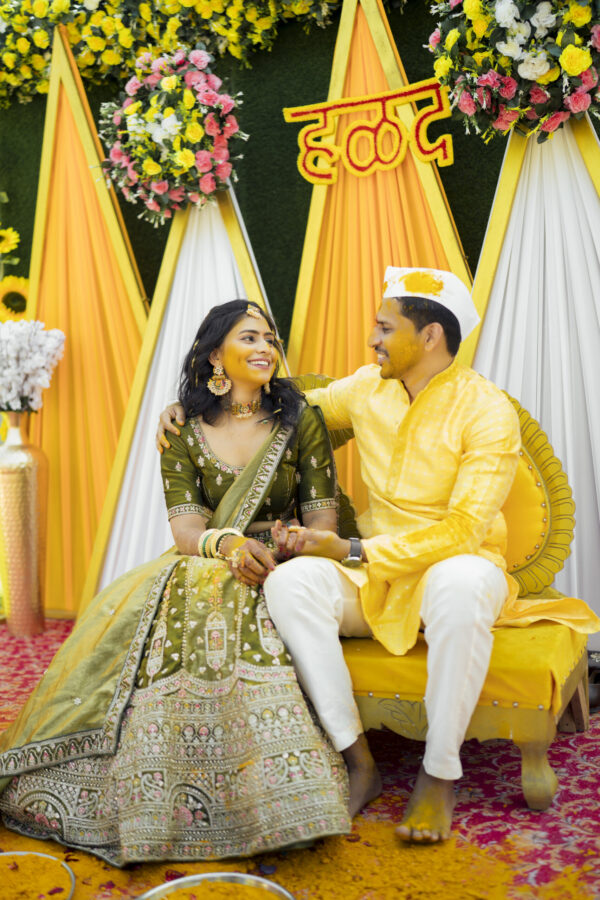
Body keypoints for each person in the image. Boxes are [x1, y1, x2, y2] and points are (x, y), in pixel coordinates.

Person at [156, 269, 600, 845]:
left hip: (455, 569)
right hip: (375, 580)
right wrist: (189, 404)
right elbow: (276, 406)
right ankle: (357, 761)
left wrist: (352, 548)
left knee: (461, 583)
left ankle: (439, 774)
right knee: (291, 585)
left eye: (385, 328)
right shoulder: (367, 388)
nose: (373, 340)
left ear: (430, 336)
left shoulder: (486, 409)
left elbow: (464, 530)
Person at [0, 299, 355, 866]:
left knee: (230, 588)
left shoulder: (299, 420)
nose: (265, 347)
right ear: (215, 355)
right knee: (204, 586)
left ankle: (271, 787)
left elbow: (323, 522)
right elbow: (188, 530)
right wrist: (230, 546)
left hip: (288, 562)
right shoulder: (183, 430)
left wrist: (293, 543)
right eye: (248, 338)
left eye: (269, 338)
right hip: (210, 555)